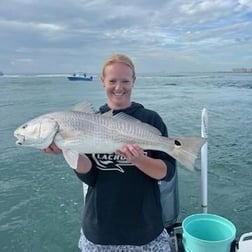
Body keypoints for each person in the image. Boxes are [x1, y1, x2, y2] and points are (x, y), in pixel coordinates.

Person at [44, 54, 176, 252]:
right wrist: (68, 149)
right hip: (100, 231)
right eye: (112, 81)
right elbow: (90, 177)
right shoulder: (89, 121)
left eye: (125, 81)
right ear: (103, 81)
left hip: (146, 230)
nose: (118, 87)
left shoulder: (151, 119)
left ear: (134, 81)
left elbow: (167, 173)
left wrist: (139, 160)